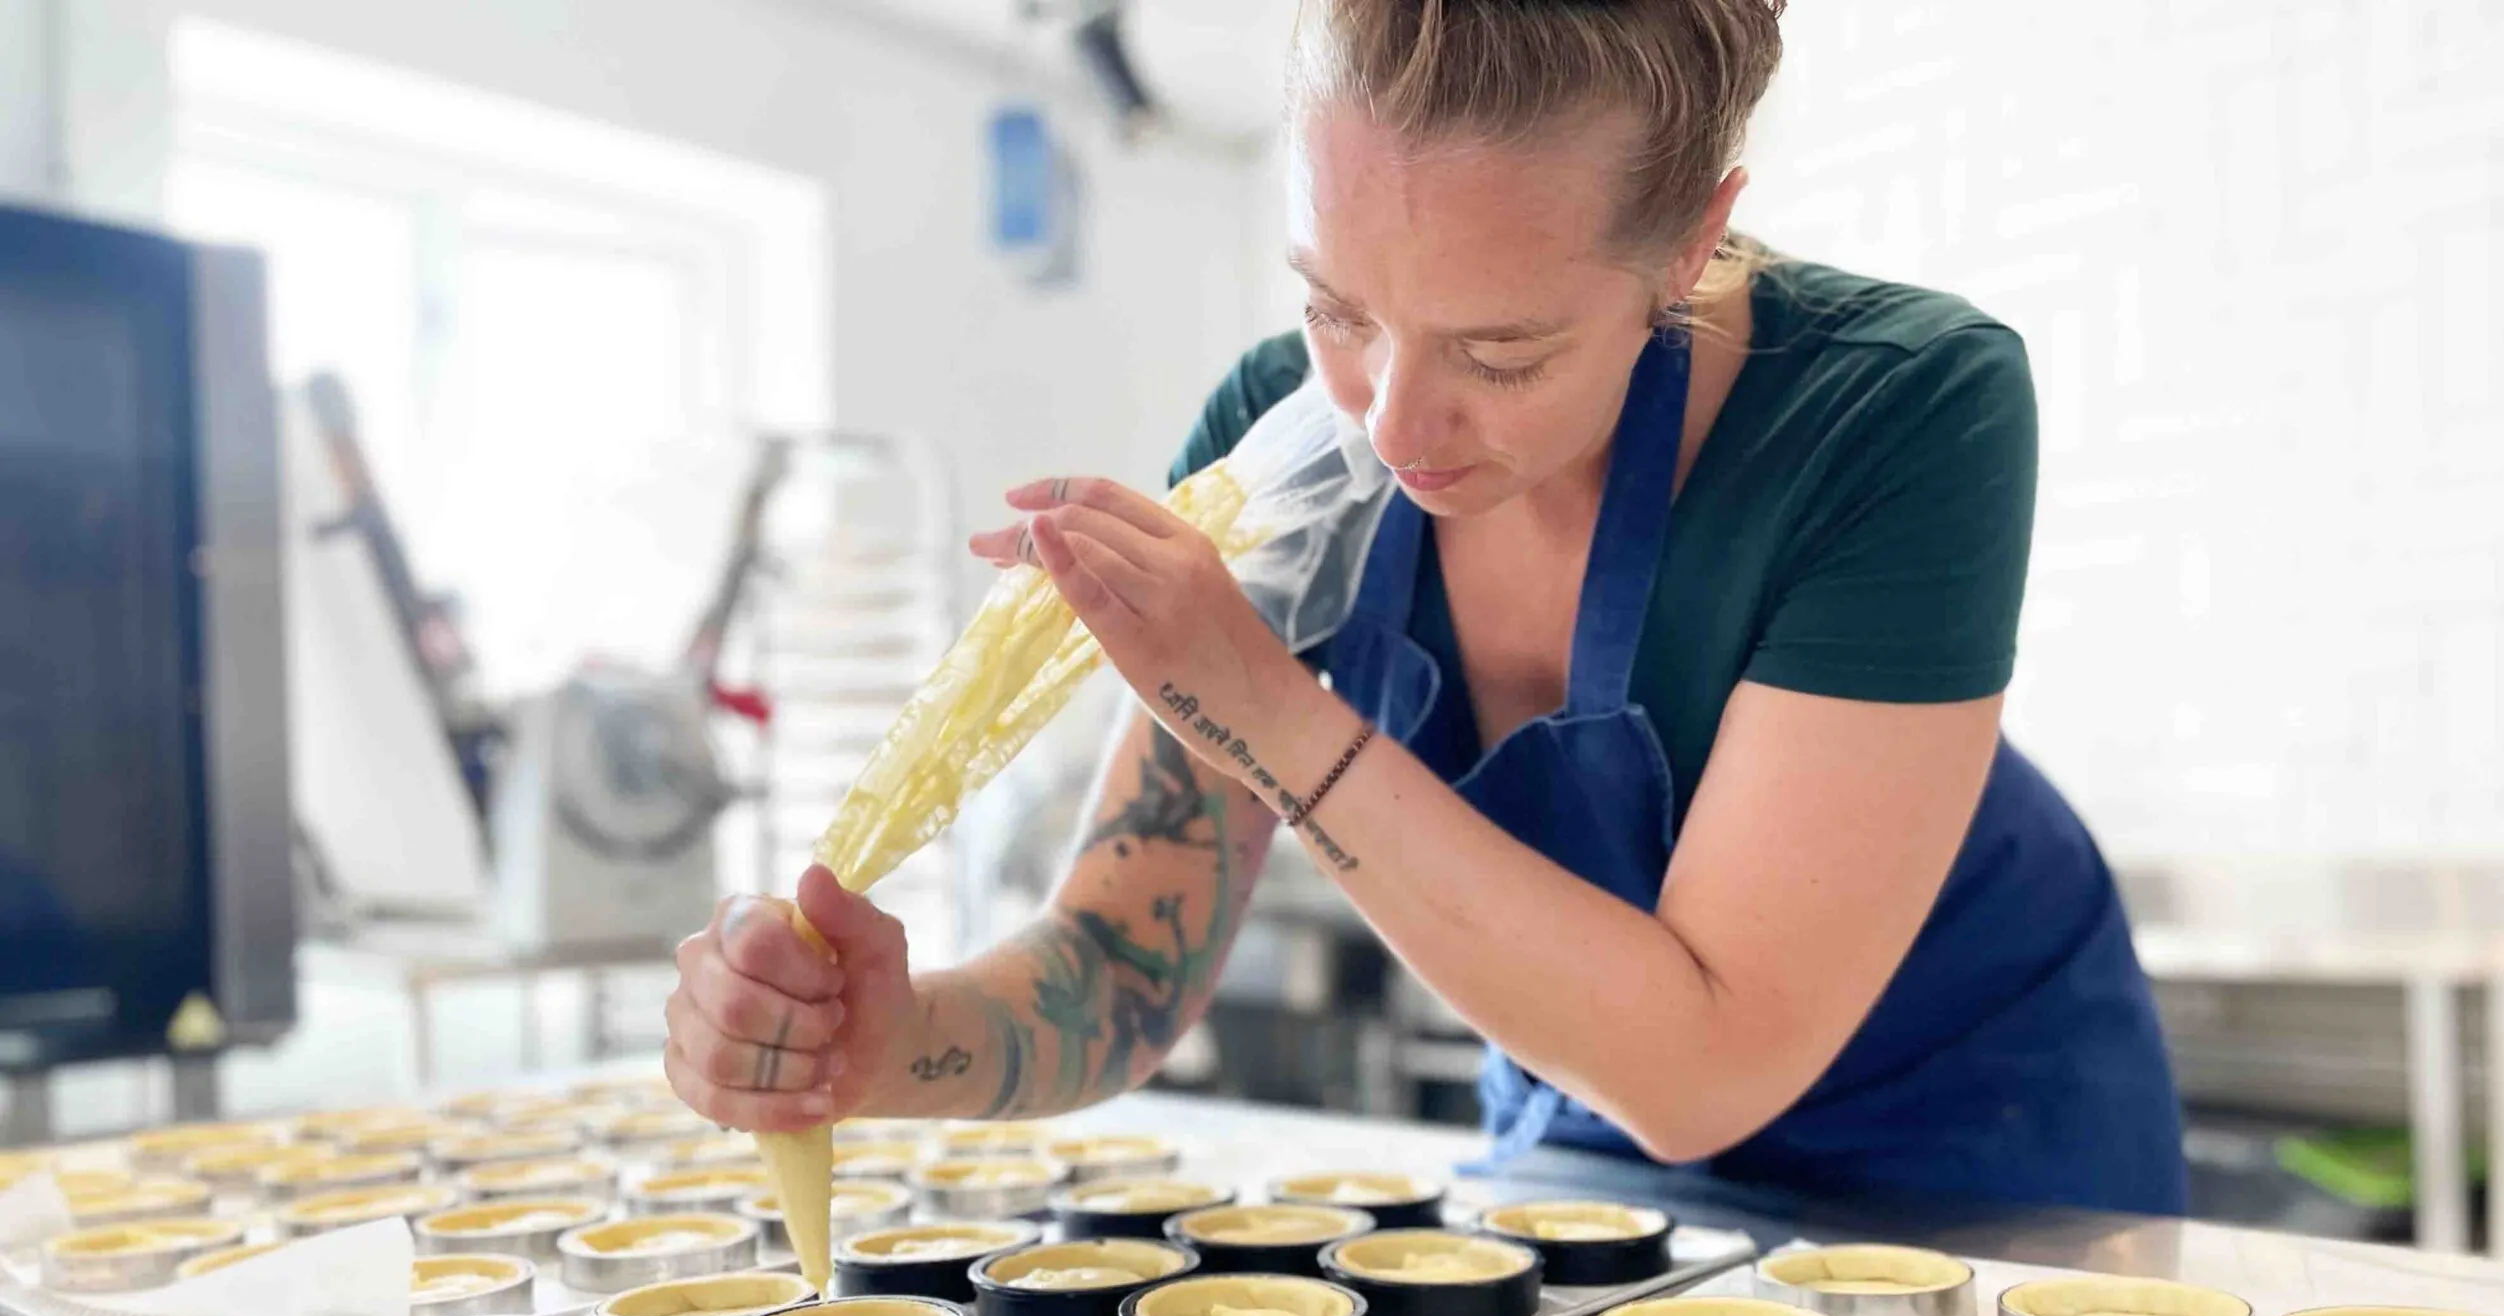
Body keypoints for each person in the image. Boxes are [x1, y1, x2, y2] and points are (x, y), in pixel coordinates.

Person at [663, 0, 2185, 1215]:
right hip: (1586, 1177)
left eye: (1502, 353)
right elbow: (1123, 972)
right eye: (1337, 308)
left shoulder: (1895, 412)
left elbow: (1702, 1066)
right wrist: (882, 1044)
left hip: (1976, 1176)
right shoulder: (1270, 464)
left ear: (1688, 238)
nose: (1391, 425)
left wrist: (1257, 697)